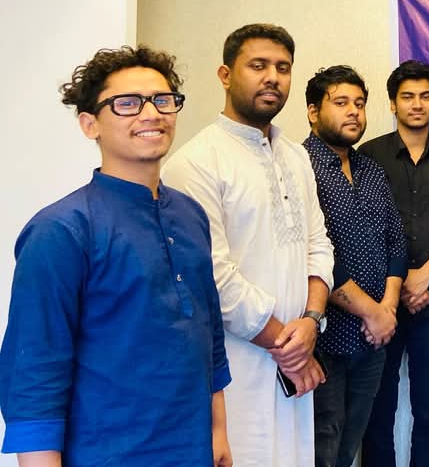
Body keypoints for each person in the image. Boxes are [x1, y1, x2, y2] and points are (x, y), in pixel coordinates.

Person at [0, 45, 232, 466]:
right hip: (105, 454)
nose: (151, 113)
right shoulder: (61, 230)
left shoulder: (190, 214)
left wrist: (218, 433)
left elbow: (208, 333)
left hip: (192, 449)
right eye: (127, 103)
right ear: (90, 124)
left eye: (163, 100)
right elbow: (34, 370)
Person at [164, 24, 335, 467]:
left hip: (296, 359)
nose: (273, 77)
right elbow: (213, 276)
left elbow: (318, 244)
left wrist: (311, 322)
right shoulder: (195, 162)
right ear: (225, 75)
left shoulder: (296, 155)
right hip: (237, 368)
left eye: (283, 68)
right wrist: (288, 346)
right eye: (258, 66)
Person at [359, 60, 429, 467]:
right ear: (392, 103)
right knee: (377, 411)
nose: (416, 104)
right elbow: (365, 227)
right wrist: (400, 282)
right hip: (380, 303)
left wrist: (424, 277)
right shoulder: (369, 156)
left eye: (425, 96)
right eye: (407, 97)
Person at [302, 65, 408, 467]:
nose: (353, 112)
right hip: (325, 339)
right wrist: (371, 313)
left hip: (372, 339)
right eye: (341, 102)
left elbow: (396, 240)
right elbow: (313, 253)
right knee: (322, 450)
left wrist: (387, 309)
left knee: (351, 447)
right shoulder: (298, 167)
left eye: (360, 104)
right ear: (313, 111)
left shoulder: (370, 169)